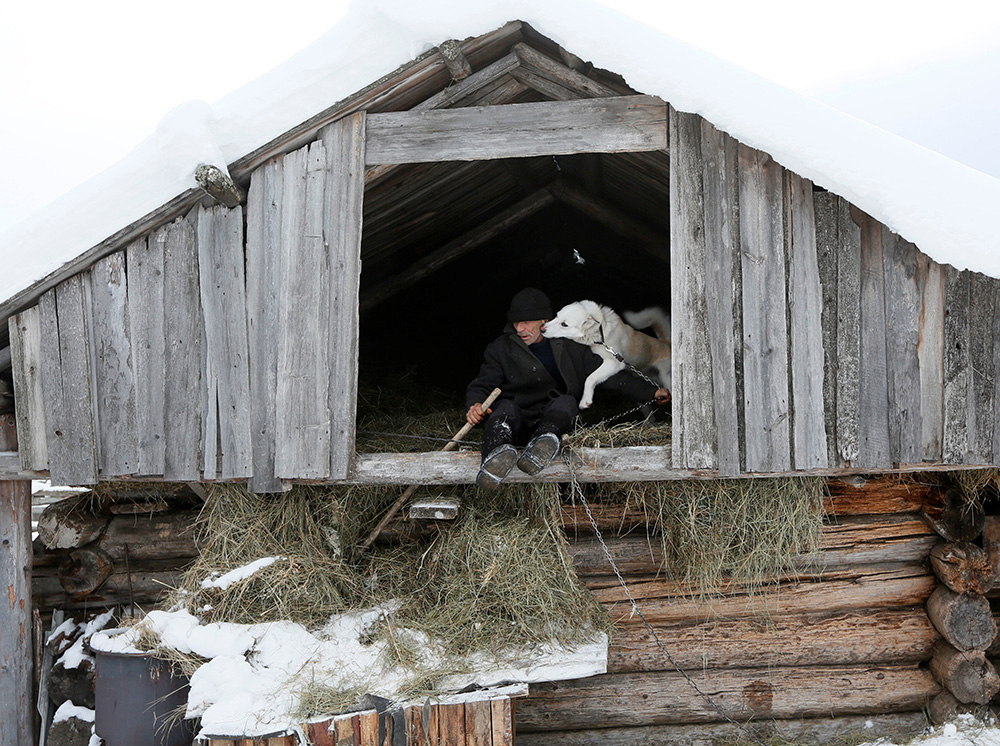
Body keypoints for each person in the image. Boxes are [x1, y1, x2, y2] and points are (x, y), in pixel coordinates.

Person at [466, 288, 670, 488]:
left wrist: (650, 392)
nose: (519, 328)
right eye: (516, 322)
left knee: (566, 402)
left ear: (544, 321)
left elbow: (610, 377)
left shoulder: (570, 345)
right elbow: (483, 383)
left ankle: (540, 450)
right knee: (504, 409)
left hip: (554, 422)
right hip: (516, 419)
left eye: (526, 322)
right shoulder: (500, 348)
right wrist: (475, 404)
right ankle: (494, 458)